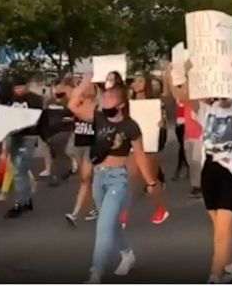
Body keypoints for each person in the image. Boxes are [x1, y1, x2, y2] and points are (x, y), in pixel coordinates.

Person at [68, 74, 160, 283]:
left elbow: (140, 155)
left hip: (118, 179)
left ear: (120, 103)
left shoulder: (130, 126)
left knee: (103, 225)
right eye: (104, 96)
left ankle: (96, 273)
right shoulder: (98, 117)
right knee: (111, 223)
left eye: (110, 97)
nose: (105, 100)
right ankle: (127, 254)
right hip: (99, 178)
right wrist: (85, 82)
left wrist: (150, 182)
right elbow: (73, 105)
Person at [181, 57, 232, 283]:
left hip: (231, 171)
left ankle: (214, 276)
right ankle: (229, 263)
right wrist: (188, 73)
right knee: (219, 228)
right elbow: (185, 98)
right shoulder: (207, 108)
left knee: (222, 231)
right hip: (209, 170)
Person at [123, 72, 169, 225]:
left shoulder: (155, 103)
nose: (136, 84)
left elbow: (164, 122)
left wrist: (161, 123)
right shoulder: (128, 104)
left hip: (149, 145)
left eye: (140, 81)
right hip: (133, 145)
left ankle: (160, 208)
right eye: (135, 81)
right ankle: (122, 214)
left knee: (151, 182)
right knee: (128, 179)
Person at [5, 75, 44, 218]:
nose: (18, 90)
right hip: (15, 137)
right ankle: (26, 200)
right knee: (19, 170)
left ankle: (20, 202)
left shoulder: (34, 99)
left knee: (19, 171)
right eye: (16, 87)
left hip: (27, 136)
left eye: (21, 87)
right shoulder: (13, 99)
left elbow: (35, 119)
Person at [165, 64, 203, 198]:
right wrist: (169, 77)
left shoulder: (198, 99)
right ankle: (198, 185)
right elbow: (176, 93)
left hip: (200, 136)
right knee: (191, 162)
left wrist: (188, 73)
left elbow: (184, 93)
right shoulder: (185, 99)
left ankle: (197, 187)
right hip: (188, 134)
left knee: (196, 162)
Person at [65, 82, 99, 225]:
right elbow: (70, 94)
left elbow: (89, 117)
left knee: (86, 178)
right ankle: (94, 207)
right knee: (86, 179)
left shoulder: (98, 106)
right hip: (79, 144)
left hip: (92, 145)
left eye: (90, 86)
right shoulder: (78, 103)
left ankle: (75, 213)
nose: (86, 88)